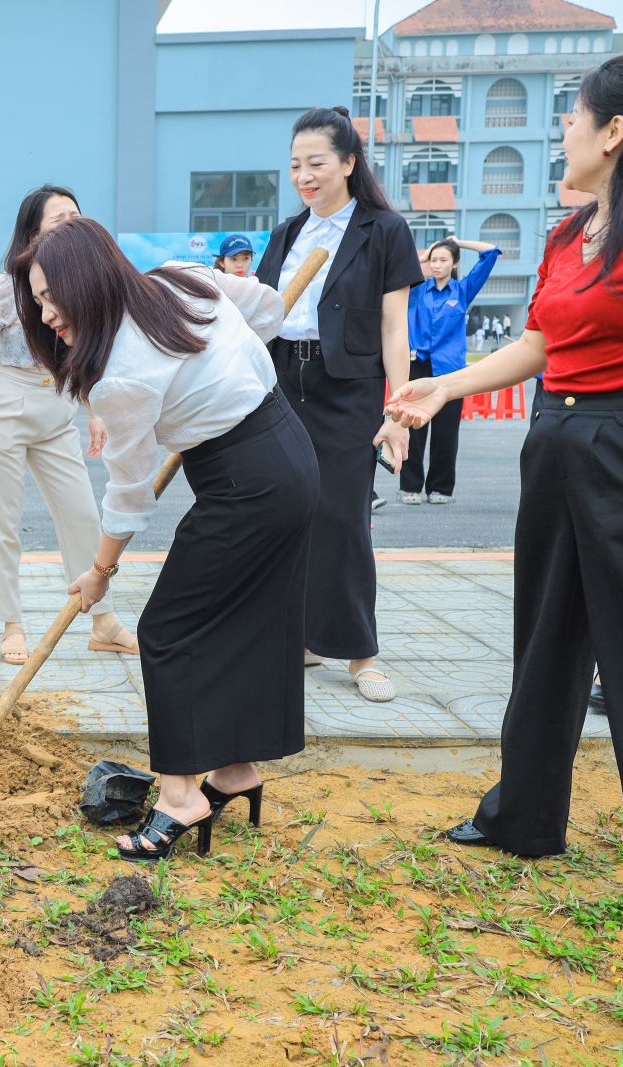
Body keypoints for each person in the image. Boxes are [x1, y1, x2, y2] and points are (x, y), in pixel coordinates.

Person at [389, 53, 623, 906]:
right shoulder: (568, 234)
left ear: (615, 131)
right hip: (554, 439)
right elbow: (541, 345)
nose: (564, 130)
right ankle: (523, 814)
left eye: (573, 115)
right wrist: (444, 386)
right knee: (545, 635)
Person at [13, 218, 317, 861]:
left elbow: (128, 493)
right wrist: (222, 368)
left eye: (51, 297)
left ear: (88, 281)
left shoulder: (121, 374)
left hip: (246, 483)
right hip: (289, 450)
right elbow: (267, 309)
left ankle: (181, 796)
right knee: (245, 619)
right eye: (36, 301)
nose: (45, 315)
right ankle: (235, 770)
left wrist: (100, 572)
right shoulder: (183, 281)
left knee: (169, 630)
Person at [253, 106, 421, 703]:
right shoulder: (286, 234)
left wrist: (397, 411)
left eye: (316, 163)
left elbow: (394, 328)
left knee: (345, 518)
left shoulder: (384, 230)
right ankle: (298, 635)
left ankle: (360, 653)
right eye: (295, 164)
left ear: (349, 163)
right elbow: (261, 316)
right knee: (286, 512)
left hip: (347, 386)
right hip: (282, 381)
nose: (304, 175)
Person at [0, 185, 141, 665]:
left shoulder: (79, 285)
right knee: (2, 520)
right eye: (60, 219)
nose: (71, 223)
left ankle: (103, 621)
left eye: (76, 215)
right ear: (33, 232)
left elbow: (81, 354)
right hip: (5, 402)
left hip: (57, 405)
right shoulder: (7, 288)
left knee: (83, 514)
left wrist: (93, 411)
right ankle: (11, 623)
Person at [399, 236, 499, 506]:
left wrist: (459, 242)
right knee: (414, 429)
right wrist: (425, 255)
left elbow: (491, 252)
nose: (436, 265)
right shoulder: (418, 290)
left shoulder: (462, 290)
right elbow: (400, 269)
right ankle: (410, 487)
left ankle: (440, 488)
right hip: (418, 365)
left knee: (446, 432)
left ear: (454, 263)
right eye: (433, 260)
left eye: (443, 260)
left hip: (451, 369)